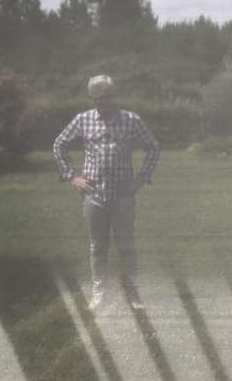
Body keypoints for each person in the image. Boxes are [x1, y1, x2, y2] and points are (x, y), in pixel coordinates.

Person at [54, 75, 160, 310]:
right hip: (93, 196)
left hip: (123, 195)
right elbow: (58, 144)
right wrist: (72, 175)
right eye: (98, 99)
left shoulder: (131, 120)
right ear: (91, 98)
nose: (104, 103)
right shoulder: (83, 120)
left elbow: (153, 147)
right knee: (97, 246)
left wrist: (142, 178)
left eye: (108, 97)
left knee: (126, 245)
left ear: (116, 95)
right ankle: (99, 293)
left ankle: (133, 294)